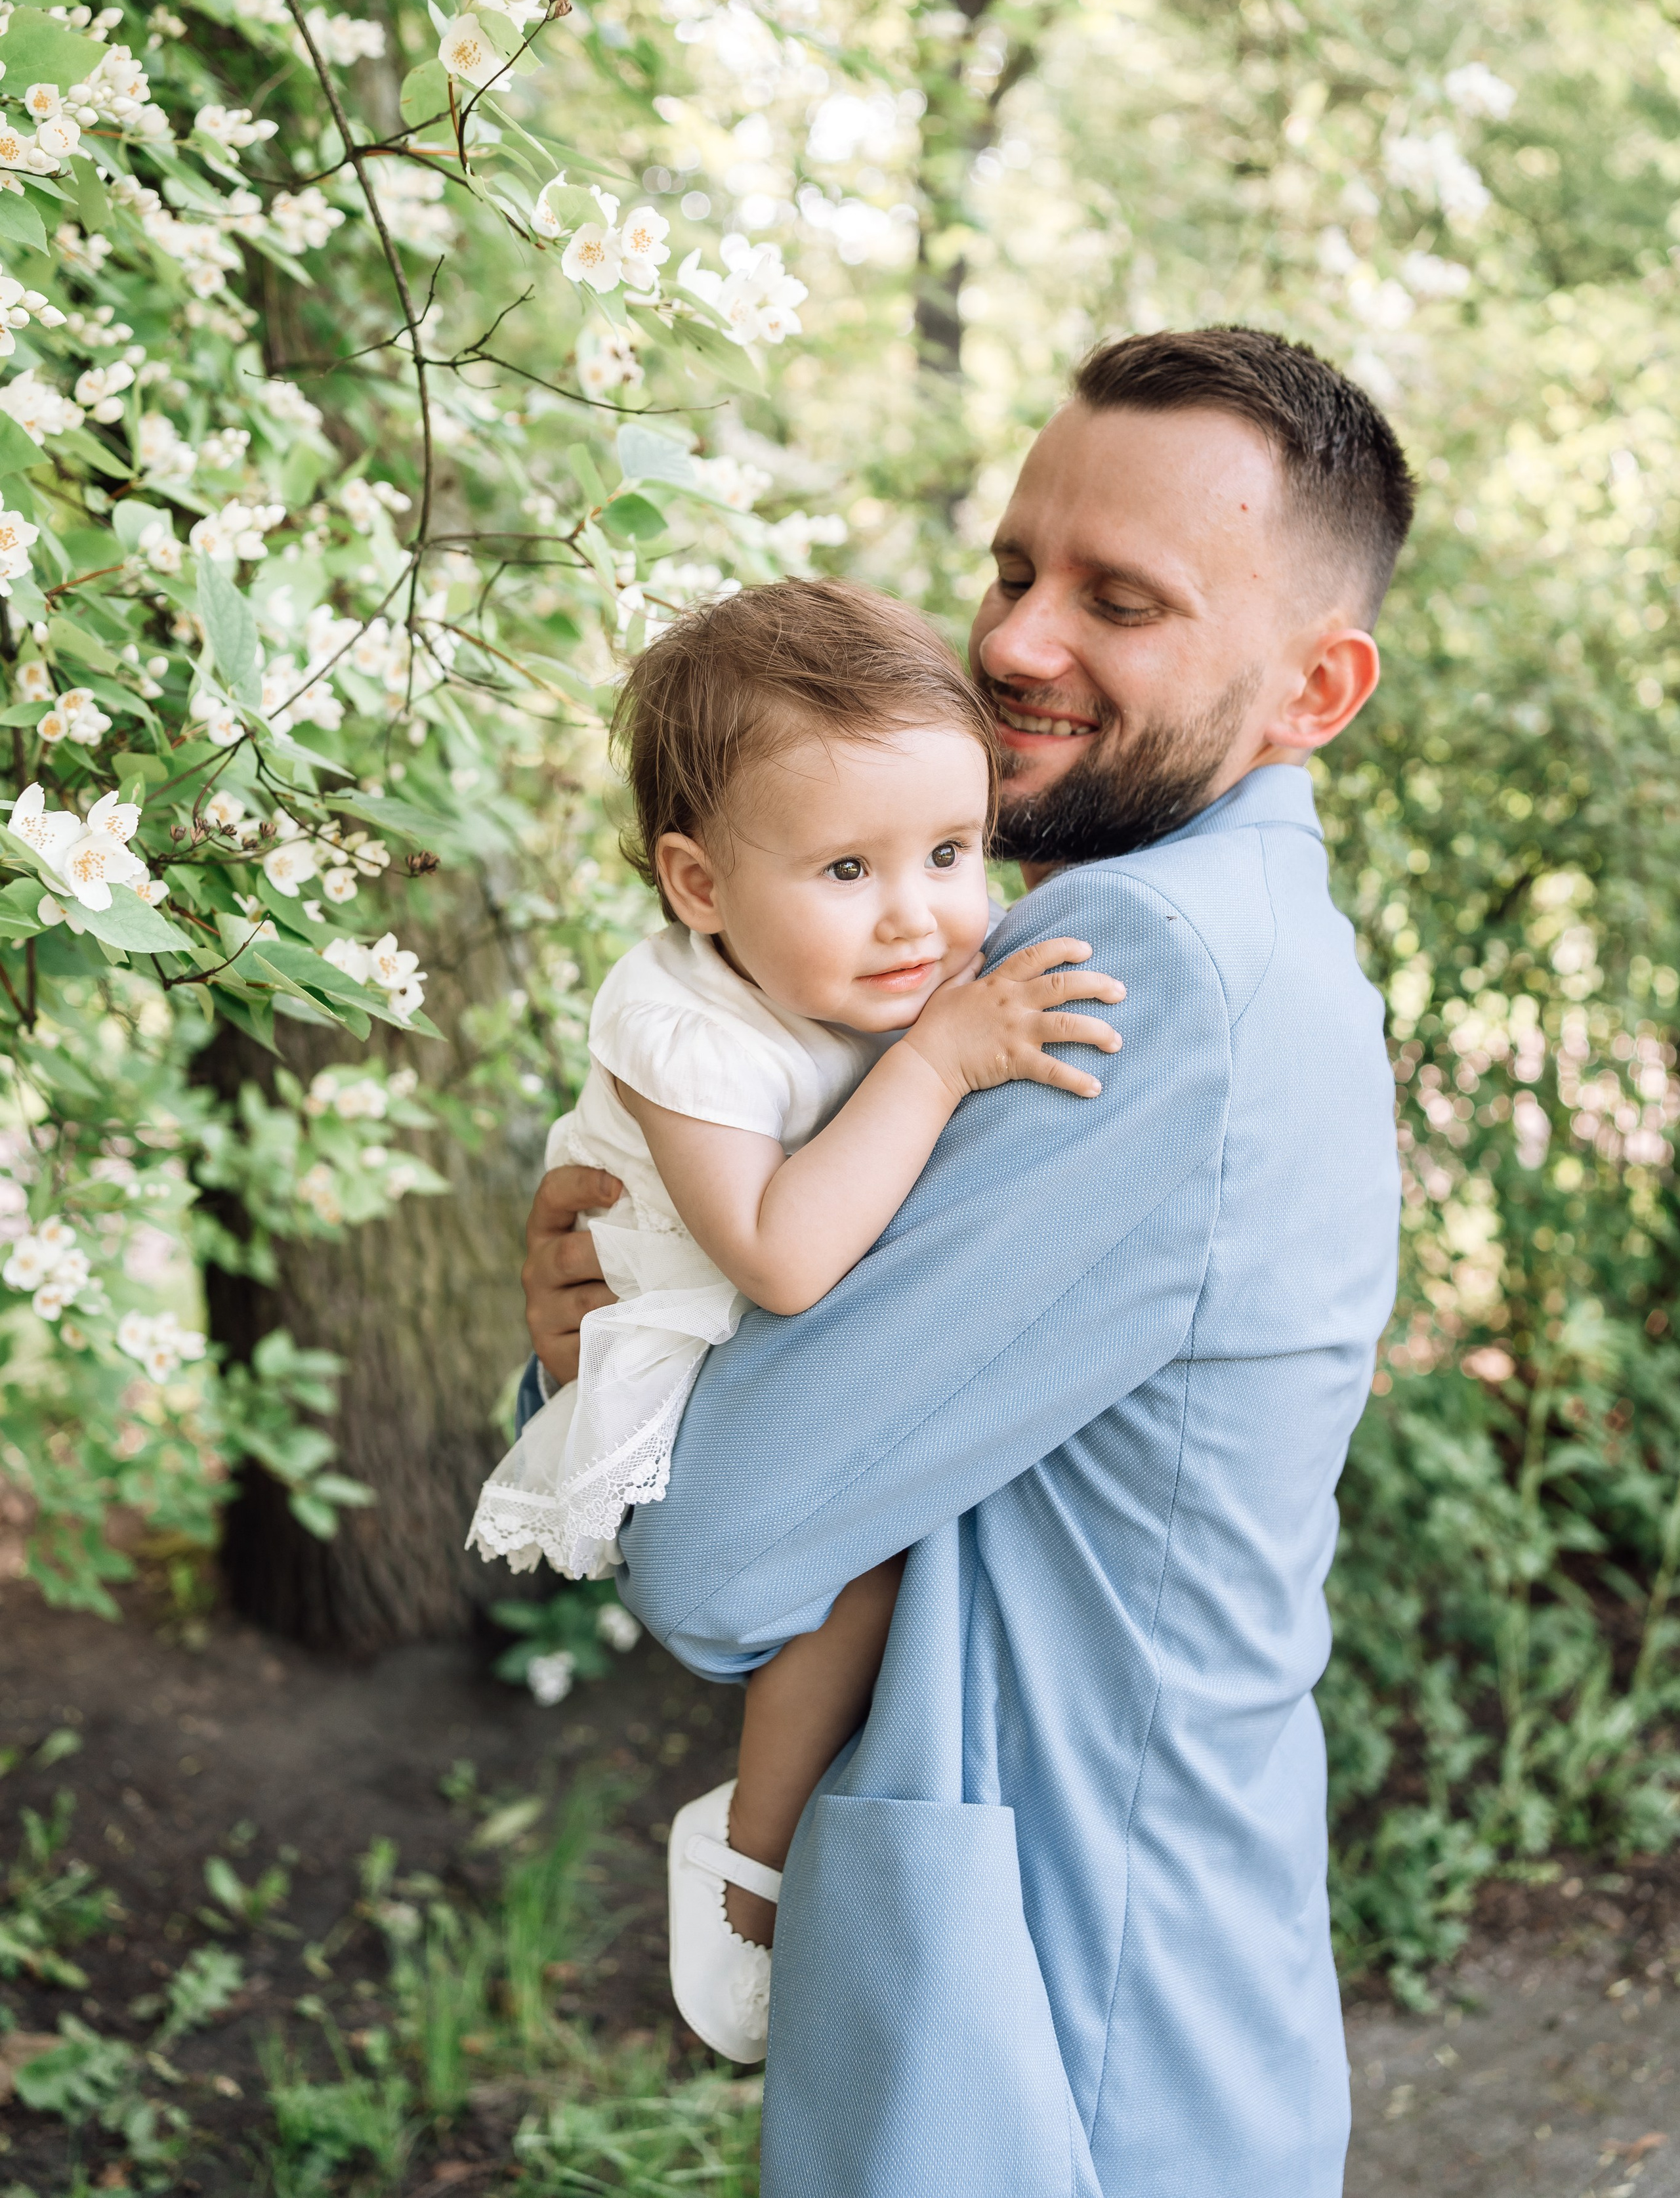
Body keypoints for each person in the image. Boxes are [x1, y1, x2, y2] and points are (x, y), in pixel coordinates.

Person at [524, 327, 1408, 2197]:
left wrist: (611, 1362)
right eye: (1014, 568)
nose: (1012, 643)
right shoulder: (1230, 934)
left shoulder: (1127, 969)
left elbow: (717, 1552)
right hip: (1128, 1995)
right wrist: (606, 1327)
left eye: (1124, 601)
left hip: (1066, 2047)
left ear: (1313, 688)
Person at [467, 579, 1124, 2061]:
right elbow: (774, 1258)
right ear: (699, 889)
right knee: (858, 1574)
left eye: (951, 851)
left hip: (771, 1341)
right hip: (677, 1356)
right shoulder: (679, 1030)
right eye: (846, 868)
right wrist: (940, 1065)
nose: (921, 916)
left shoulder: (889, 956)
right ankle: (751, 1855)